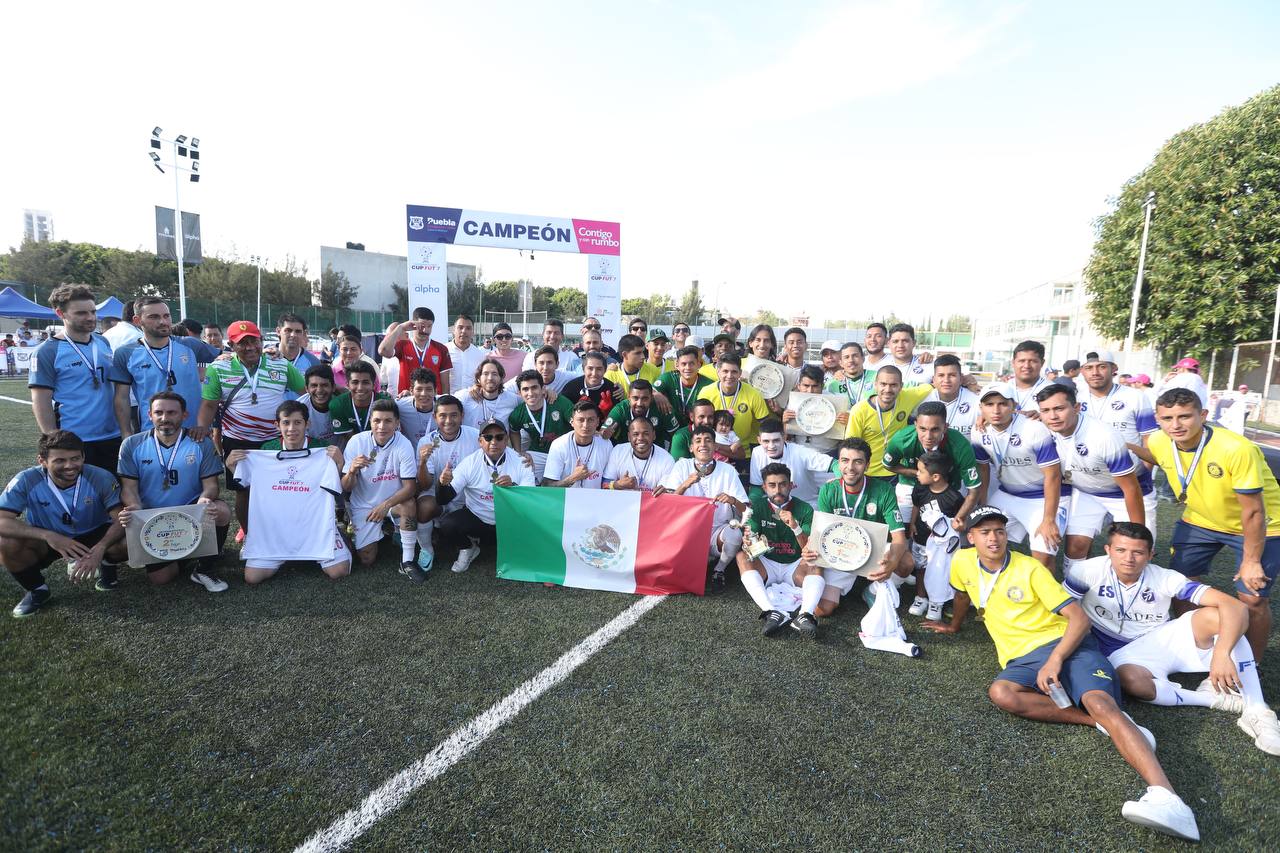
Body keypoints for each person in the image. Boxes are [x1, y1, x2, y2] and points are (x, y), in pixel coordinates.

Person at [923, 507, 1200, 842]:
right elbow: (962, 593)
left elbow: (1079, 619)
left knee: (1100, 702)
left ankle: (1168, 798)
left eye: (999, 530)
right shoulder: (963, 562)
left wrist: (1054, 660)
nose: (993, 538)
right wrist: (953, 625)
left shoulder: (1030, 569)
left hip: (1066, 644)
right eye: (984, 532)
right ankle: (1101, 724)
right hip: (1020, 658)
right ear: (971, 537)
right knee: (1002, 694)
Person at [1064, 522, 1280, 754]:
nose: (1129, 558)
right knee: (1131, 681)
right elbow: (1062, 610)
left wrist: (1222, 653)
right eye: (1121, 550)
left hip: (1161, 640)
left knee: (1218, 616)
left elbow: (1235, 607)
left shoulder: (1165, 577)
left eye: (1137, 552)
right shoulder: (1085, 571)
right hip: (1119, 653)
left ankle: (1258, 709)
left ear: (1150, 555)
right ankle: (1211, 699)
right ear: (1107, 550)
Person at [1129, 388, 1280, 662]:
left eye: (1185, 416)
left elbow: (1254, 512)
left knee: (1253, 598)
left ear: (1204, 415)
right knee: (1180, 585)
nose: (1176, 425)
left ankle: (1251, 665)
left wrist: (1251, 559)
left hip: (1262, 525)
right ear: (1158, 419)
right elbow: (1159, 458)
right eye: (1168, 418)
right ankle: (1196, 648)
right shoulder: (1160, 441)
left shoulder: (1236, 448)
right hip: (1200, 520)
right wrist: (1124, 446)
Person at [197, 320, 306, 539]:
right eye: (242, 343)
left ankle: (277, 533)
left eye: (254, 341)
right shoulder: (219, 368)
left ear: (261, 340)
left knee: (277, 489)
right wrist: (201, 429)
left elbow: (305, 391)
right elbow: (209, 404)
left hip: (273, 440)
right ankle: (249, 533)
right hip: (237, 441)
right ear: (231, 345)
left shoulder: (281, 364)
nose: (249, 347)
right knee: (243, 492)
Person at [0, 430, 127, 616]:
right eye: (60, 460)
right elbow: (2, 519)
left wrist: (100, 547)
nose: (69, 466)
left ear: (83, 456)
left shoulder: (100, 477)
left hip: (95, 532)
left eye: (75, 458)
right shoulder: (27, 479)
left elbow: (121, 518)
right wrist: (48, 535)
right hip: (48, 536)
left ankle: (107, 563)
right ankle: (37, 590)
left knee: (129, 538)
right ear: (42, 460)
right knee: (4, 542)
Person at [117, 391, 230, 592]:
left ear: (184, 415)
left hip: (190, 511)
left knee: (220, 510)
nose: (165, 418)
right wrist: (133, 506)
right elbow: (128, 488)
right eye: (158, 412)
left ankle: (204, 568)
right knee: (161, 578)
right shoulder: (132, 445)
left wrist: (205, 499)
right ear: (149, 415)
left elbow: (211, 485)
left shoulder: (200, 443)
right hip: (154, 517)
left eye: (171, 412)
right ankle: (190, 553)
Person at [1035, 383, 1153, 571]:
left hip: (1128, 493)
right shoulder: (1041, 429)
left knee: (1135, 551)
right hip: (1086, 492)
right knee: (1077, 545)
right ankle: (1073, 590)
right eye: (1045, 410)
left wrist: (1137, 534)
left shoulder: (1103, 436)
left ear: (1076, 408)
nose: (1053, 416)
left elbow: (1131, 488)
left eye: (1059, 408)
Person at [226, 412, 351, 585]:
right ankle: (284, 552)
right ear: (277, 425)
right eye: (286, 423)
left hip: (315, 526)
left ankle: (337, 535)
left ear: (307, 424)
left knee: (339, 571)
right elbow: (251, 485)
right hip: (274, 531)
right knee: (252, 577)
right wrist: (233, 468)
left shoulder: (322, 449)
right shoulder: (265, 450)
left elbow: (333, 486)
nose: (292, 428)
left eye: (297, 422)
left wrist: (338, 465)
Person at [810, 437, 910, 617]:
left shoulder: (883, 490)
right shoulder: (829, 490)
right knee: (823, 610)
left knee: (906, 563)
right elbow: (822, 533)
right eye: (845, 460)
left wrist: (892, 563)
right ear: (838, 463)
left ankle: (871, 591)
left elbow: (899, 538)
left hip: (874, 550)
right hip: (841, 552)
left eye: (858, 461)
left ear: (867, 465)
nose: (850, 467)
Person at [969, 383, 1064, 570]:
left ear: (1014, 406)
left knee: (1043, 558)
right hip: (1008, 493)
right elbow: (983, 470)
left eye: (1002, 404)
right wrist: (983, 504)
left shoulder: (1034, 429)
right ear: (981, 408)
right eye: (989, 404)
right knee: (982, 539)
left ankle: (1043, 597)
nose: (996, 410)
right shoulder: (979, 431)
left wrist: (1049, 519)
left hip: (1041, 497)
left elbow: (1053, 476)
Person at [30, 285, 121, 473]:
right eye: (81, 313)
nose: (90, 317)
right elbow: (41, 399)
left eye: (92, 311)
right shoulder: (48, 351)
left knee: (114, 494)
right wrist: (52, 439)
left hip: (112, 435)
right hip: (75, 439)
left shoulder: (102, 342)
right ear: (60, 313)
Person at [434, 418, 536, 573]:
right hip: (478, 519)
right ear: (480, 441)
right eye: (488, 437)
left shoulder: (521, 462)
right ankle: (468, 548)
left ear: (506, 439)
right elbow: (443, 499)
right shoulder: (470, 462)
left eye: (499, 437)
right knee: (448, 524)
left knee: (530, 532)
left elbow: (531, 501)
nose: (493, 442)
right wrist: (442, 484)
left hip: (508, 521)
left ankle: (516, 549)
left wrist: (513, 487)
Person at [738, 463, 825, 637]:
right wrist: (748, 541)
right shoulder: (758, 507)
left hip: (794, 566)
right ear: (764, 487)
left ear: (791, 485)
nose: (778, 489)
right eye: (772, 485)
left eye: (783, 484)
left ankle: (805, 615)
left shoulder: (804, 509)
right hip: (767, 562)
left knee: (815, 559)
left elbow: (808, 548)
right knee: (742, 556)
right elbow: (752, 539)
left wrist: (795, 527)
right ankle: (771, 612)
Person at [110, 296, 218, 437]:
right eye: (154, 317)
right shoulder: (125, 353)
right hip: (152, 433)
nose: (163, 322)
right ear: (137, 320)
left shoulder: (190, 344)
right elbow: (122, 398)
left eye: (166, 316)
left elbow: (231, 358)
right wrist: (126, 433)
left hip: (194, 431)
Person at [339, 398, 422, 579]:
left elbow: (410, 487)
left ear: (397, 423)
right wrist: (352, 471)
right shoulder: (356, 442)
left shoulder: (404, 444)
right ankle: (384, 532)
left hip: (393, 503)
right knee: (367, 559)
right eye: (377, 421)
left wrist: (385, 505)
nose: (381, 426)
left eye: (388, 421)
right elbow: (346, 487)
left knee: (409, 504)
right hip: (364, 505)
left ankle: (407, 560)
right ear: (370, 422)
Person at [659, 424, 749, 590]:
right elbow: (668, 505)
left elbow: (746, 510)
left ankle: (719, 570)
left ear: (715, 447)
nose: (703, 444)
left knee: (735, 534)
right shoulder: (682, 466)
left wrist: (733, 500)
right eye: (698, 441)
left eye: (708, 440)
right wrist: (684, 485)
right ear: (691, 448)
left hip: (717, 531)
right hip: (687, 532)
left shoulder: (728, 470)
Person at [882, 400, 984, 527]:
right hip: (910, 484)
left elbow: (974, 489)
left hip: (949, 489)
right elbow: (888, 464)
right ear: (915, 425)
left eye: (935, 429)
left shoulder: (960, 445)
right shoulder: (902, 439)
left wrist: (958, 518)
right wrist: (918, 473)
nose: (928, 436)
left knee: (946, 531)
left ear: (945, 427)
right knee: (902, 528)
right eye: (922, 429)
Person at [413, 394, 480, 572]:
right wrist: (422, 463)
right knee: (424, 506)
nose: (448, 420)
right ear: (435, 417)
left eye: (453, 415)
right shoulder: (426, 441)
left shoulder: (475, 436)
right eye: (442, 415)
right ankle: (427, 550)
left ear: (462, 416)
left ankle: (469, 542)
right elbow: (425, 485)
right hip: (439, 497)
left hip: (468, 498)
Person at [843, 365, 933, 483]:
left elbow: (931, 386)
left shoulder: (908, 396)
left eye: (893, 385)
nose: (888, 389)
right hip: (868, 473)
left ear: (901, 386)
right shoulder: (859, 410)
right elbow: (850, 448)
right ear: (875, 385)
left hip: (896, 470)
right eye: (883, 384)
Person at [907, 450, 965, 620]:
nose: (917, 474)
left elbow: (958, 522)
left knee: (940, 572)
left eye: (921, 471)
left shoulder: (954, 497)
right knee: (921, 569)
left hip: (941, 548)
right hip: (921, 539)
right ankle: (921, 598)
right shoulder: (919, 490)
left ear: (936, 477)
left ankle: (936, 602)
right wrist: (912, 523)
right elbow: (917, 507)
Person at [749, 418, 837, 504]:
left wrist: (839, 482)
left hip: (806, 504)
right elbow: (756, 487)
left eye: (776, 440)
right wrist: (753, 504)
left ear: (784, 437)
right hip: (774, 505)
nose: (771, 446)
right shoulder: (757, 452)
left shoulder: (800, 452)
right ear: (759, 440)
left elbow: (835, 464)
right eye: (766, 441)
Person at [508, 369, 574, 480]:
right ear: (519, 393)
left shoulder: (559, 402)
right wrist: (519, 452)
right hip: (539, 454)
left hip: (565, 453)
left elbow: (576, 422)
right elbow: (514, 431)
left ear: (543, 388)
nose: (530, 393)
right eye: (525, 389)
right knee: (522, 463)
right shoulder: (517, 414)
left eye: (534, 387)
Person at [697, 354, 770, 448]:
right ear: (718, 372)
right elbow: (699, 422)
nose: (729, 376)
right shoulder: (706, 392)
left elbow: (766, 424)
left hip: (742, 450)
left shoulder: (753, 393)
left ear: (740, 373)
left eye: (734, 372)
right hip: (713, 449)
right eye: (725, 371)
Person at [380, 307, 452, 396]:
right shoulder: (402, 345)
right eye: (422, 326)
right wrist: (401, 327)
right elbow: (383, 351)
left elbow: (445, 385)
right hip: (407, 400)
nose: (425, 330)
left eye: (429, 326)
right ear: (413, 323)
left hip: (433, 403)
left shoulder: (441, 349)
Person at [544, 401, 613, 489]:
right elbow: (547, 485)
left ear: (598, 422)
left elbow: (608, 481)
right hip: (567, 500)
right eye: (580, 420)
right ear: (572, 422)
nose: (585, 425)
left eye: (590, 420)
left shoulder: (605, 444)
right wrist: (572, 478)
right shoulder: (559, 445)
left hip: (595, 499)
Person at [327, 360, 391, 448]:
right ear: (347, 385)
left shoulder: (387, 403)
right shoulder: (337, 405)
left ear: (373, 385)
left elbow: (389, 435)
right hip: (354, 448)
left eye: (365, 382)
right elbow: (349, 437)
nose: (360, 388)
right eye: (355, 382)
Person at [785, 366, 847, 456]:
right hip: (800, 452)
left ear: (822, 386)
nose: (810, 390)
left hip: (829, 453)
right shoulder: (793, 402)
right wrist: (785, 423)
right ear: (799, 385)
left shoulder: (837, 401)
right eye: (806, 386)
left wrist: (847, 422)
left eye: (815, 386)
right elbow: (787, 437)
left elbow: (845, 433)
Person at [601, 379, 681, 448]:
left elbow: (676, 435)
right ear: (628, 397)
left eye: (645, 398)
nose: (639, 403)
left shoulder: (661, 407)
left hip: (656, 454)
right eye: (635, 398)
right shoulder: (621, 409)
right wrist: (604, 434)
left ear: (652, 398)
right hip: (626, 453)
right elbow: (603, 432)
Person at [603, 418, 675, 491]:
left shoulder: (667, 459)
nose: (640, 438)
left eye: (646, 434)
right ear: (629, 436)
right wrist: (617, 485)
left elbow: (668, 492)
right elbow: (604, 485)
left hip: (651, 501)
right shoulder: (618, 451)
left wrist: (662, 492)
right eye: (635, 434)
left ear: (654, 435)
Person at [653, 345, 713, 427]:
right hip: (671, 426)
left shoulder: (708, 384)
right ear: (677, 365)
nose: (687, 368)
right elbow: (650, 391)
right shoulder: (669, 378)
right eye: (683, 364)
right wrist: (656, 394)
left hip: (699, 428)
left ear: (699, 364)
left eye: (691, 363)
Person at [924, 353, 979, 440]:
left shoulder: (976, 402)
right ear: (933, 380)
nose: (946, 380)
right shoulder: (923, 399)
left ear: (961, 379)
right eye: (941, 375)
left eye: (952, 375)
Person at [460, 358, 520, 429]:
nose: (490, 378)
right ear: (478, 378)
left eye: (494, 374)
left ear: (501, 379)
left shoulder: (513, 400)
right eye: (485, 374)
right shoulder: (466, 396)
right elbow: (444, 400)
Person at [560, 352, 619, 422]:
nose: (594, 373)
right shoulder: (571, 388)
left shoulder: (613, 390)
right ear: (583, 369)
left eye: (599, 369)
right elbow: (562, 415)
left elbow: (618, 419)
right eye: (590, 368)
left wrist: (608, 413)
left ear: (605, 370)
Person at [297, 364, 343, 445]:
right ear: (307, 388)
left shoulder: (343, 402)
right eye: (314, 385)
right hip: (312, 454)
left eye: (324, 385)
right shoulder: (298, 409)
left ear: (333, 387)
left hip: (342, 455)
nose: (319, 390)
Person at [274, 313, 321, 391]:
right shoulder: (266, 357)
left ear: (304, 334)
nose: (293, 335)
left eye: (298, 331)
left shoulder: (313, 362)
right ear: (278, 331)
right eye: (288, 330)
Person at [397, 367, 438, 448]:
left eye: (429, 389)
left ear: (436, 391)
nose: (424, 394)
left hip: (437, 457)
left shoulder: (445, 405)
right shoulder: (400, 406)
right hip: (411, 457)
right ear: (411, 391)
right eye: (419, 389)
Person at [1008, 340, 1049, 414]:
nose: (1027, 366)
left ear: (1042, 363)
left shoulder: (1055, 391)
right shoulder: (1001, 389)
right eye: (1022, 361)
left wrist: (1043, 417)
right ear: (1013, 363)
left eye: (1033, 361)